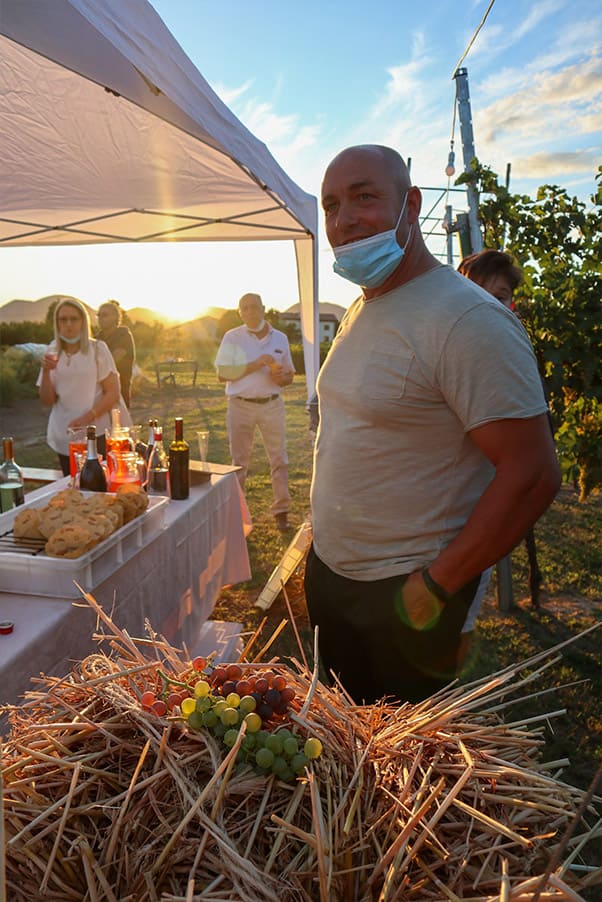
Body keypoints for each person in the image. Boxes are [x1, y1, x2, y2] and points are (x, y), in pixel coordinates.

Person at [304, 144, 560, 705]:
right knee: (342, 758)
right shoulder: (366, 303)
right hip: (334, 578)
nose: (343, 220)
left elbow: (533, 473)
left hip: (405, 595)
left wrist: (435, 586)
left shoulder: (467, 319)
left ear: (412, 204)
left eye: (364, 197)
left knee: (400, 776)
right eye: (330, 205)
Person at [458, 248, 553, 612]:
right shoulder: (443, 343)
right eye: (475, 294)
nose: (487, 306)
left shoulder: (513, 354)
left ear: (512, 304)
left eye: (498, 297)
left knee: (458, 612)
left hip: (477, 507)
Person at [215, 292, 295, 531]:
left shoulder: (280, 338)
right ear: (240, 313)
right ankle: (238, 515)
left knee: (279, 459)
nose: (250, 312)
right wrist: (256, 364)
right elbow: (222, 374)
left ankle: (281, 511)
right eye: (244, 308)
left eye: (253, 307)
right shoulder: (232, 337)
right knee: (239, 462)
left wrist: (283, 377)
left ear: (263, 308)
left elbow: (290, 375)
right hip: (240, 405)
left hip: (272, 404)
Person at [38, 298, 127, 476]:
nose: (68, 324)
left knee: (98, 486)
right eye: (63, 319)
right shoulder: (52, 350)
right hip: (64, 435)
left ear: (83, 321)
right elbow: (47, 400)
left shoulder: (97, 350)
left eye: (74, 319)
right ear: (57, 323)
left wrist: (87, 418)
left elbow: (113, 392)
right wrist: (46, 372)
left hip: (96, 432)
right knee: (72, 486)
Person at [96, 300, 136, 407]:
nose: (100, 318)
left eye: (104, 315)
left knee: (118, 423)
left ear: (115, 317)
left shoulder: (123, 335)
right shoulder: (97, 338)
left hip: (119, 392)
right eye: (98, 315)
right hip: (99, 394)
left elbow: (112, 361)